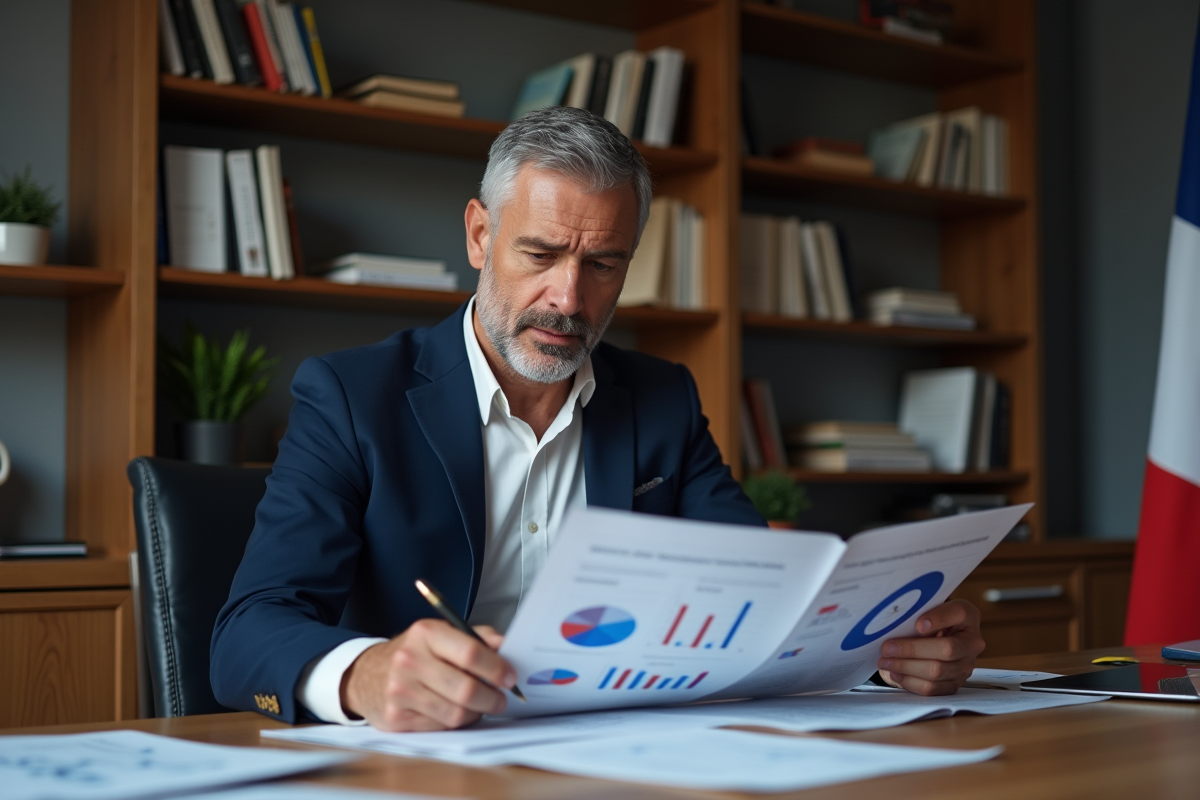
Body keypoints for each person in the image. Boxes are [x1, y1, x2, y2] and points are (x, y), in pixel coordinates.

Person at [210, 106, 985, 732]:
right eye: (541, 254)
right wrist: (368, 674)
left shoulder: (661, 398)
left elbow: (760, 593)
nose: (570, 299)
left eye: (603, 264)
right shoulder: (352, 396)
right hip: (427, 763)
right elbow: (247, 633)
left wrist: (887, 647)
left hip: (624, 753)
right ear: (480, 236)